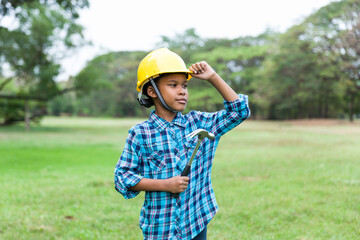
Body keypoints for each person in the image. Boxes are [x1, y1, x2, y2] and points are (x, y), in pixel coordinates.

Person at [114, 48, 250, 240]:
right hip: (160, 228)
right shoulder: (140, 134)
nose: (181, 91)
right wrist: (165, 184)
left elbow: (239, 112)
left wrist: (213, 77)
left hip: (195, 221)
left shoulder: (199, 123)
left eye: (184, 86)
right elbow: (122, 178)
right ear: (152, 91)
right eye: (173, 84)